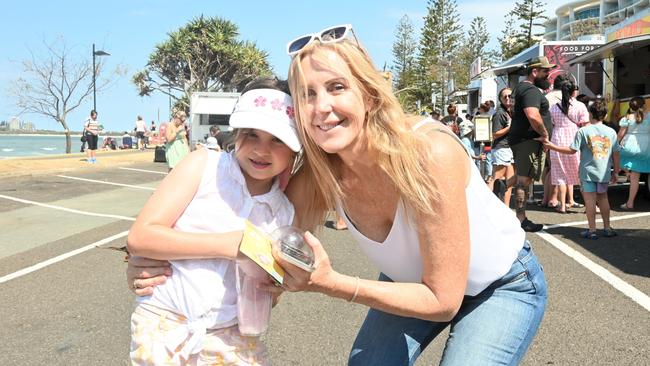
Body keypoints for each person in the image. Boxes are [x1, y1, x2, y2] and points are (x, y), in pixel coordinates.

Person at [129, 24, 547, 365]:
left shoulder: (429, 154)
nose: (320, 107)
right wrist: (144, 262)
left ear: (367, 91)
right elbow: (251, 231)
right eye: (307, 95)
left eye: (336, 87)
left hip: (503, 284)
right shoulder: (319, 173)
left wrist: (331, 283)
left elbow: (442, 299)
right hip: (411, 281)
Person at [127, 78, 301, 365]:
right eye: (251, 134)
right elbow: (141, 237)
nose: (261, 149)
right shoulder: (203, 165)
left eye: (278, 140)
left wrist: (275, 286)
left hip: (235, 336)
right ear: (236, 131)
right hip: (165, 323)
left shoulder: (283, 212)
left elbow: (271, 292)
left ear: (296, 149)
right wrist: (228, 244)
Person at [542, 100, 620, 239]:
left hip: (587, 172)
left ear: (590, 114)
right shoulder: (611, 132)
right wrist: (616, 171)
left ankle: (592, 230)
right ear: (605, 114)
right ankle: (607, 228)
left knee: (590, 201)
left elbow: (572, 150)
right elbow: (616, 153)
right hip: (604, 172)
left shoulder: (583, 131)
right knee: (603, 198)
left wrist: (552, 146)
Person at [507, 56, 556, 232]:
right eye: (545, 71)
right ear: (534, 72)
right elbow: (533, 115)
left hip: (523, 140)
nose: (548, 75)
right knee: (524, 180)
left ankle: (502, 187)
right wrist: (544, 134)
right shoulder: (530, 91)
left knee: (523, 175)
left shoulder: (520, 89)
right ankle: (521, 220)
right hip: (528, 141)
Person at [548, 78, 589, 214]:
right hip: (574, 139)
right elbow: (585, 124)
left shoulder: (554, 107)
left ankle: (563, 206)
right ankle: (589, 205)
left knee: (560, 174)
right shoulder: (580, 106)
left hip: (557, 139)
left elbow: (551, 123)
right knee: (580, 172)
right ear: (573, 92)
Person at [617, 96, 650, 210]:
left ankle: (627, 173)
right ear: (644, 105)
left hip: (629, 145)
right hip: (645, 147)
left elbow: (621, 134)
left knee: (619, 162)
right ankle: (630, 201)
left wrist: (615, 145)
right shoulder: (649, 116)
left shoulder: (627, 117)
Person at [491, 88, 516, 205]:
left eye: (509, 96)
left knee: (509, 181)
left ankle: (505, 208)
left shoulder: (509, 112)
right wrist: (510, 128)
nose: (507, 98)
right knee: (496, 179)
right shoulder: (499, 113)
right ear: (500, 99)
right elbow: (495, 134)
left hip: (508, 149)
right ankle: (487, 204)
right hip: (501, 148)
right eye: (504, 96)